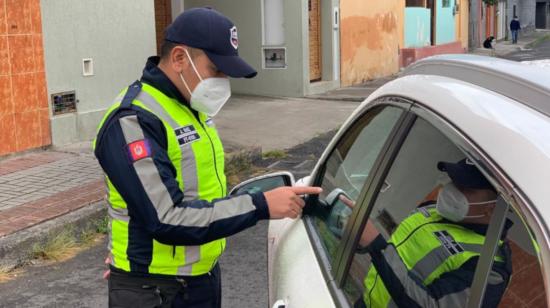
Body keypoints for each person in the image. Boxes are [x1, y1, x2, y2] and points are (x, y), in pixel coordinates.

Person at [93, 7, 322, 308]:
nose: (223, 80)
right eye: (216, 69)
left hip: (198, 281)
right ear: (178, 59)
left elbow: (199, 190)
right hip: (154, 291)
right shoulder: (133, 120)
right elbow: (166, 217)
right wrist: (260, 204)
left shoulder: (191, 107)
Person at [354, 159, 512, 308]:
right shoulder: (434, 209)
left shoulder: (490, 269)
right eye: (453, 181)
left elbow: (430, 304)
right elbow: (399, 248)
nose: (451, 190)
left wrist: (376, 246)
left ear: (491, 209)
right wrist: (360, 239)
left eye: (465, 188)